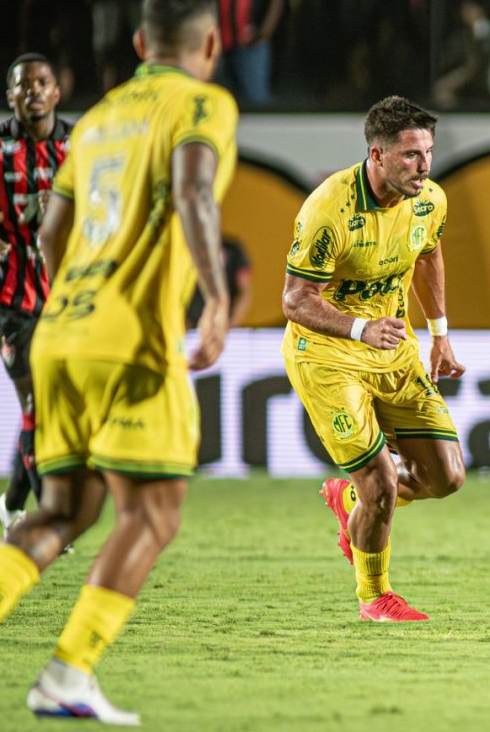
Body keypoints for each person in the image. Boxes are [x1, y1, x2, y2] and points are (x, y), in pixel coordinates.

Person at [0, 0, 237, 723]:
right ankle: (66, 671)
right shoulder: (203, 104)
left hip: (60, 329)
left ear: (140, 46)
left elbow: (51, 235)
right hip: (133, 340)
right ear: (210, 45)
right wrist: (216, 298)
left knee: (63, 509)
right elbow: (193, 192)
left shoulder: (97, 122)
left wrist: (74, 302)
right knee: (151, 515)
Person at [283, 95, 466, 623]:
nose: (424, 166)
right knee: (381, 482)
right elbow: (294, 302)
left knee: (446, 478)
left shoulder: (430, 199)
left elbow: (428, 251)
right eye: (411, 155)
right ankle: (374, 597)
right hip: (328, 355)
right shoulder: (328, 209)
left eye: (428, 152)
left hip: (393, 349)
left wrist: (440, 334)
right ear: (377, 154)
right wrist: (362, 328)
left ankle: (349, 503)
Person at [0, 53, 71, 539]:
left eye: (41, 82)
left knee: (50, 407)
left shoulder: (79, 146)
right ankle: (46, 514)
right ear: (9, 95)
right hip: (12, 297)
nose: (32, 90)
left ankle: (12, 504)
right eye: (22, 84)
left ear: (57, 92)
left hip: (65, 298)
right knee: (35, 401)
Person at [186, 236, 253, 327]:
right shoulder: (185, 251)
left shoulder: (233, 250)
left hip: (224, 324)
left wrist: (230, 325)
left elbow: (245, 293)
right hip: (189, 326)